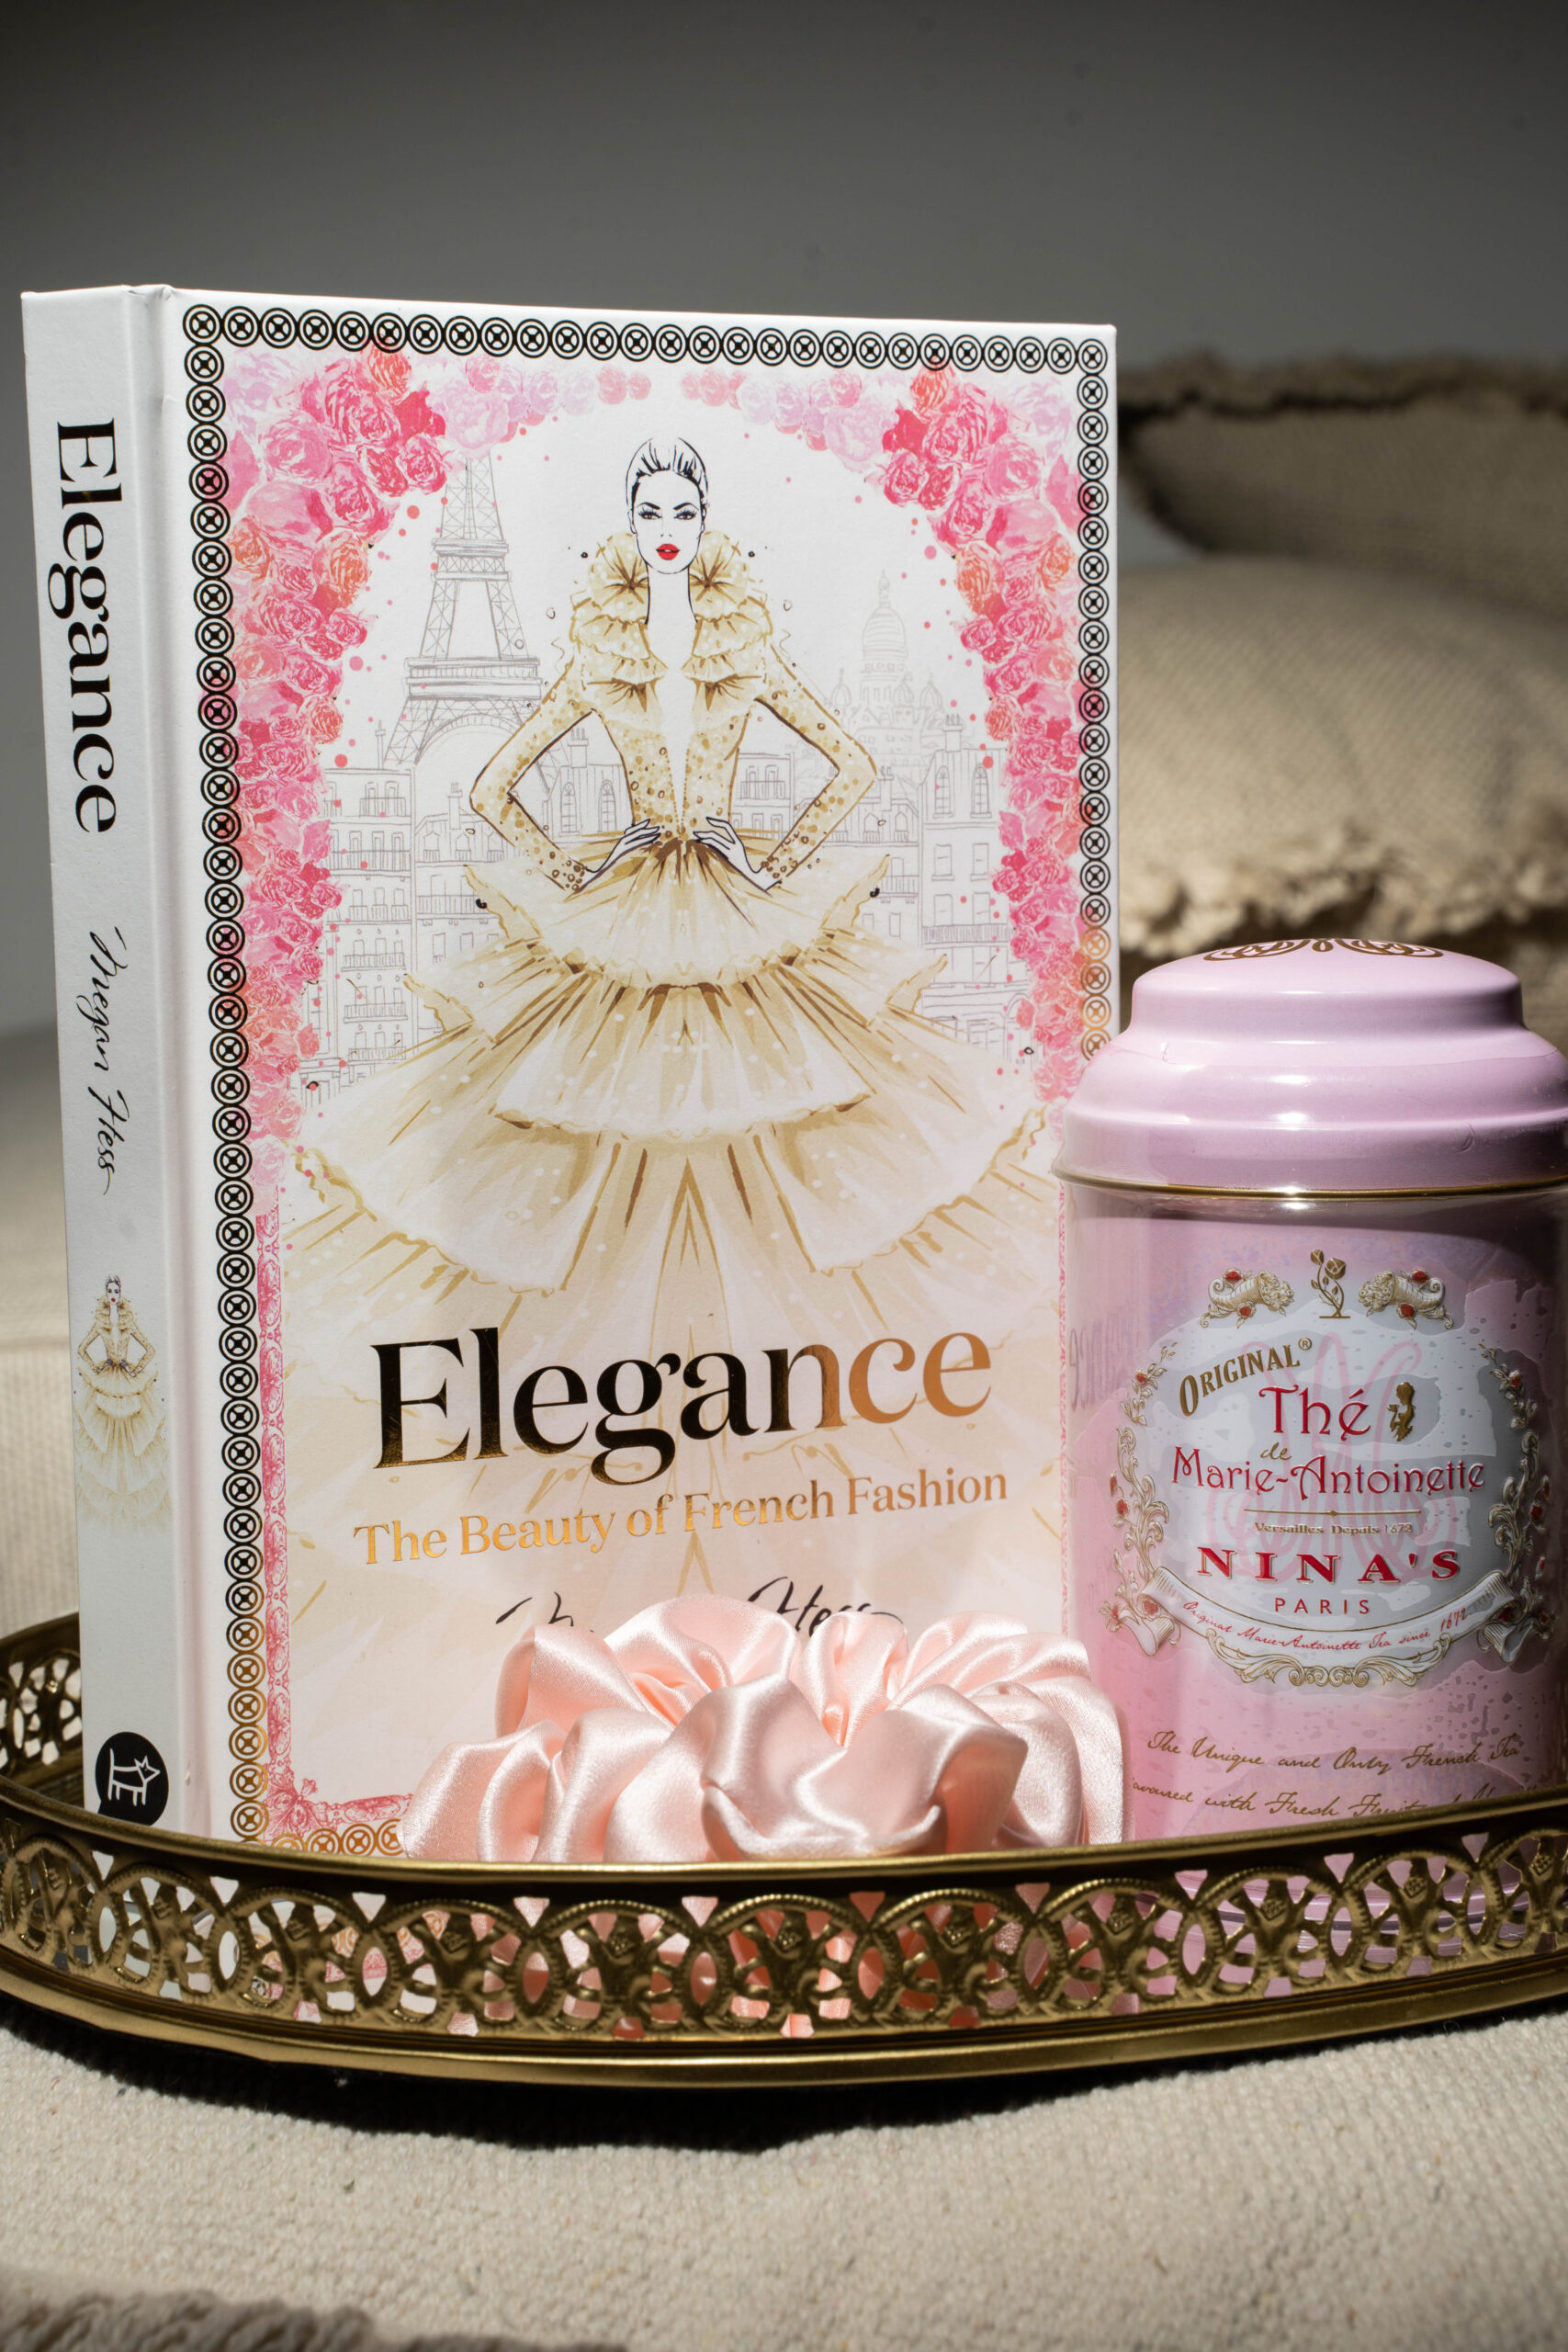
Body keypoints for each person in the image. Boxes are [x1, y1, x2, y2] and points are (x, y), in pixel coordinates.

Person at [287, 436, 1057, 1499]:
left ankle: (757, 1390)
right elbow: (495, 786)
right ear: (629, 519)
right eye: (650, 508)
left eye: (683, 510)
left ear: (704, 522)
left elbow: (852, 763)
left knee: (771, 1127)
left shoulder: (746, 647)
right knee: (605, 1132)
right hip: (633, 903)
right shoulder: (599, 654)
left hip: (734, 907)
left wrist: (770, 857)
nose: (667, 527)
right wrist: (581, 863)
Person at [73, 1276, 169, 1526]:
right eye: (109, 1290)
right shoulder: (101, 1321)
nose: (113, 1294)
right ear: (106, 1293)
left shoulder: (128, 1321)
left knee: (130, 1435)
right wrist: (97, 1366)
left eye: (116, 1290)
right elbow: (82, 1349)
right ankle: (111, 1491)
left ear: (120, 1292)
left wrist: (134, 1369)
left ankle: (129, 1489)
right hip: (108, 1378)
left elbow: (150, 1350)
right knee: (107, 1437)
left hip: (126, 1380)